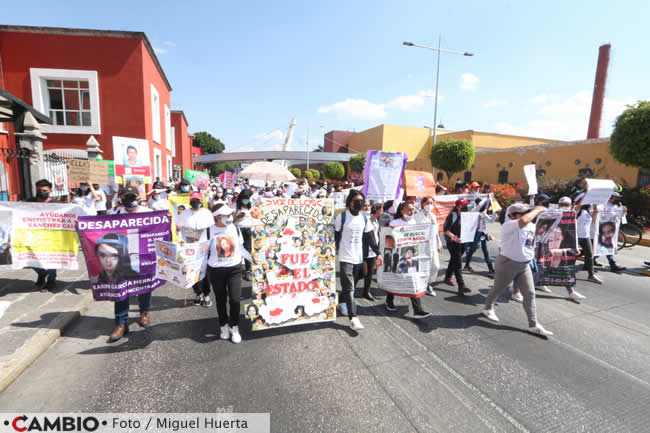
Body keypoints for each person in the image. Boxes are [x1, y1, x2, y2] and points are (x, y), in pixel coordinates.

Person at [481, 203, 554, 336]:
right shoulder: (509, 225)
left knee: (530, 294)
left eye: (528, 212)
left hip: (524, 265)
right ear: (512, 215)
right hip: (508, 264)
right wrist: (538, 209)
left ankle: (533, 324)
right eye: (523, 212)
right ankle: (487, 308)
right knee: (498, 288)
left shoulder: (532, 226)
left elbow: (535, 239)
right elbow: (523, 221)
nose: (527, 215)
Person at [106, 186, 153, 343]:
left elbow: (159, 229)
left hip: (143, 256)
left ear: (138, 197)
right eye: (127, 196)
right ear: (121, 198)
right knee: (120, 290)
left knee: (144, 285)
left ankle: (144, 312)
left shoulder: (148, 212)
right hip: (121, 256)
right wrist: (83, 223)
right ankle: (121, 323)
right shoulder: (115, 213)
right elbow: (98, 228)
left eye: (133, 196)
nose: (130, 199)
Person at [334, 190, 382, 331]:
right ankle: (353, 318)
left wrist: (378, 253)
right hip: (345, 258)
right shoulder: (341, 217)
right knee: (350, 289)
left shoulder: (364, 218)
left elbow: (369, 237)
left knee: (353, 284)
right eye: (357, 201)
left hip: (359, 258)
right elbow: (335, 236)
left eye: (362, 201)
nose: (360, 203)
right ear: (350, 202)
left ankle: (341, 301)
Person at [207, 203, 252, 344]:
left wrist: (253, 259)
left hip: (234, 268)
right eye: (225, 215)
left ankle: (235, 326)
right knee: (220, 299)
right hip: (216, 270)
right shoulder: (208, 231)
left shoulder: (235, 228)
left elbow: (240, 248)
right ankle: (224, 326)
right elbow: (202, 254)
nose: (229, 217)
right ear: (217, 217)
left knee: (235, 299)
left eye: (229, 214)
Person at [384, 202, 431, 318]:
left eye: (413, 210)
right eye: (409, 210)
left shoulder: (415, 222)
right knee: (396, 279)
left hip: (411, 256)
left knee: (412, 281)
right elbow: (389, 239)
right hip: (397, 256)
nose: (412, 212)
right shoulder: (394, 223)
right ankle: (389, 300)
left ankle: (417, 310)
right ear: (402, 210)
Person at [176, 191, 214, 307]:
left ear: (201, 201)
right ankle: (198, 293)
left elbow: (211, 229)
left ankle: (206, 294)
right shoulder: (184, 213)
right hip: (189, 247)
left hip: (203, 247)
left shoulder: (207, 213)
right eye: (193, 200)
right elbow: (179, 229)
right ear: (190, 201)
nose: (195, 202)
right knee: (192, 270)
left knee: (204, 271)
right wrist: (180, 234)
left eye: (197, 200)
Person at [27, 179, 63, 291]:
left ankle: (51, 280)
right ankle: (42, 273)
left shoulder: (57, 204)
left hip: (51, 237)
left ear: (50, 191)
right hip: (33, 236)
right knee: (29, 257)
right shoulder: (29, 202)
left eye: (44, 190)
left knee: (51, 259)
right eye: (39, 190)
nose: (41, 192)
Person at [443, 198, 471, 295]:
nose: (466, 207)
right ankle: (461, 285)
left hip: (462, 242)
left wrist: (479, 219)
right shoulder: (452, 215)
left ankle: (447, 277)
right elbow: (446, 230)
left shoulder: (467, 216)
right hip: (452, 242)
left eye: (467, 205)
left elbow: (475, 227)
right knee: (458, 262)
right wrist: (454, 238)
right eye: (464, 205)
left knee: (454, 259)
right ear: (458, 206)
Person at [415, 196, 442, 296]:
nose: (429, 205)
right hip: (421, 245)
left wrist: (439, 243)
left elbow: (436, 232)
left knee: (435, 266)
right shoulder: (417, 216)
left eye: (431, 203)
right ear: (422, 204)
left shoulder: (433, 216)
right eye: (427, 203)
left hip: (432, 245)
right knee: (422, 266)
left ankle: (429, 283)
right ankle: (421, 285)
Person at [594, 193, 626, 273]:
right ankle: (613, 265)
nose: (618, 200)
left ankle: (591, 261)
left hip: (612, 231)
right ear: (611, 198)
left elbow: (620, 218)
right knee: (607, 246)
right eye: (616, 198)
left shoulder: (616, 206)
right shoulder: (603, 206)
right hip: (604, 231)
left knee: (603, 247)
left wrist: (623, 211)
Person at [575, 192, 603, 284]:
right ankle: (564, 273)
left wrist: (595, 210)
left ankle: (591, 275)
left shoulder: (587, 212)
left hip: (585, 236)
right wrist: (587, 193)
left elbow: (593, 221)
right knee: (571, 256)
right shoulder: (577, 211)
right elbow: (578, 205)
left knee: (590, 255)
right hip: (576, 236)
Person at [464, 199, 497, 274]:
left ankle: (490, 269)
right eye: (484, 204)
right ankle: (466, 265)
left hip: (483, 233)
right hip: (476, 233)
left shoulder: (483, 212)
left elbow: (491, 220)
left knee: (486, 252)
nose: (485, 205)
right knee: (472, 249)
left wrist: (495, 212)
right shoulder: (474, 211)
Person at [360, 202, 383, 301]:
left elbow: (377, 231)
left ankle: (366, 292)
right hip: (363, 250)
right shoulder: (359, 217)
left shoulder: (375, 218)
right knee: (362, 273)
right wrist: (376, 215)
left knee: (370, 273)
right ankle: (348, 292)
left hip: (373, 250)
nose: (366, 207)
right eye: (364, 205)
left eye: (368, 205)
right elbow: (366, 225)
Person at [235, 189, 254, 281]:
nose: (246, 200)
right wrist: (238, 216)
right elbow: (230, 219)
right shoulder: (236, 206)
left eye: (247, 199)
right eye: (244, 198)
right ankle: (237, 270)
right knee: (238, 250)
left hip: (248, 230)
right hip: (238, 230)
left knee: (247, 250)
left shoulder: (251, 206)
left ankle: (248, 270)